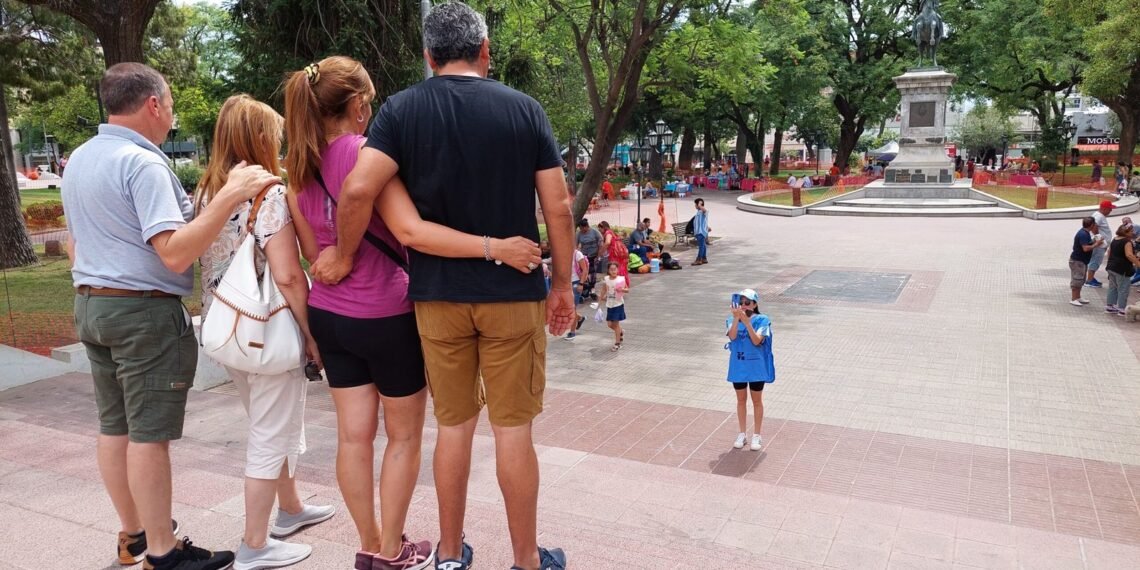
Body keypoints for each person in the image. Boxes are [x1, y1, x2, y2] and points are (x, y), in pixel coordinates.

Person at [308, 4, 573, 569]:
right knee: (513, 432)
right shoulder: (524, 109)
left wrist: (342, 254)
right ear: (485, 50)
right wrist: (565, 287)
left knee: (453, 427)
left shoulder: (401, 111)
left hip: (436, 298)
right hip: (513, 294)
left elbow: (357, 192)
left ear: (429, 57)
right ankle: (526, 559)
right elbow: (560, 208)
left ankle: (450, 554)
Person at [62, 62, 279, 570]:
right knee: (147, 435)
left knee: (114, 426)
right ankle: (163, 550)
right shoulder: (143, 164)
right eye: (172, 104)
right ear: (153, 104)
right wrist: (230, 194)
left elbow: (75, 245)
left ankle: (134, 536)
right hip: (141, 314)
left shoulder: (83, 160)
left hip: (92, 304)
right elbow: (175, 253)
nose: (173, 115)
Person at [195, 95, 335, 570]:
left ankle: (291, 509)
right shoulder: (269, 194)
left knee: (265, 423)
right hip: (268, 330)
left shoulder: (206, 190)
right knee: (269, 434)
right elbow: (290, 275)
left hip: (226, 328)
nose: (278, 143)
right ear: (258, 139)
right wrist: (312, 334)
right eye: (273, 135)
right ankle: (255, 543)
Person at [725, 289, 774, 451]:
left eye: (748, 303)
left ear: (755, 304)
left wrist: (746, 322)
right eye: (741, 303)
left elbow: (757, 341)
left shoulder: (762, 320)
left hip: (756, 367)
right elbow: (732, 337)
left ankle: (757, 435)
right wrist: (736, 319)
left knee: (757, 401)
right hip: (738, 366)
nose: (744, 306)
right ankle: (742, 433)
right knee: (740, 400)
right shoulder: (731, 320)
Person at [1105, 223, 1140, 314]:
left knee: (1113, 287)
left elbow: (1109, 252)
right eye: (1131, 231)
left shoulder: (1115, 239)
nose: (1133, 233)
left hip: (1111, 267)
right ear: (1125, 232)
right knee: (1123, 288)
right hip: (1122, 269)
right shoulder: (1126, 241)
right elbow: (1129, 255)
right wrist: (1138, 263)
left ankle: (1110, 306)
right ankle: (1121, 308)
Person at [1070, 216, 1102, 306]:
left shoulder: (1086, 233)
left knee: (1081, 279)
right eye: (1094, 224)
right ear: (1091, 225)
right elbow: (1085, 248)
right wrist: (1096, 244)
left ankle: (1078, 297)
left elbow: (1087, 244)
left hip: (1082, 261)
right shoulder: (1083, 234)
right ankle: (1073, 298)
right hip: (1078, 261)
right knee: (1077, 279)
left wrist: (1093, 240)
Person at [599, 261, 628, 351]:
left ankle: (617, 343)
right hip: (609, 304)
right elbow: (604, 289)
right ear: (608, 270)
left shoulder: (621, 279)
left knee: (615, 324)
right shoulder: (606, 279)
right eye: (611, 269)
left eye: (615, 269)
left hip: (618, 304)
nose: (613, 271)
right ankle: (620, 331)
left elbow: (627, 290)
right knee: (610, 324)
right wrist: (600, 299)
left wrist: (622, 289)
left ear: (617, 270)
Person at [1087, 200, 1114, 287]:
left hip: (1100, 243)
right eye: (1110, 209)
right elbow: (1094, 226)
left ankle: (1090, 278)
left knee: (1095, 260)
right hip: (1099, 244)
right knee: (1096, 260)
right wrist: (1099, 239)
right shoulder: (1099, 216)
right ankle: (1089, 280)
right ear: (1104, 208)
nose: (1111, 211)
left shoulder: (1098, 215)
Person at [597, 220, 630, 287]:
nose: (599, 231)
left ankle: (617, 285)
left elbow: (608, 242)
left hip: (614, 253)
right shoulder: (612, 232)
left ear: (603, 227)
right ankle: (622, 285)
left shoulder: (608, 233)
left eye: (600, 229)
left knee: (615, 268)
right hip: (619, 253)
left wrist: (601, 252)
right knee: (621, 268)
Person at [576, 218, 603, 298]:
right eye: (580, 229)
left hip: (594, 255)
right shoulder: (579, 234)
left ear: (586, 226)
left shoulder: (595, 232)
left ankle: (592, 289)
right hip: (584, 257)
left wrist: (598, 256)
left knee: (593, 274)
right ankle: (587, 289)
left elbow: (601, 243)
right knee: (585, 273)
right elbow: (576, 244)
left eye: (582, 228)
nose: (581, 230)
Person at [566, 246, 589, 340]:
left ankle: (572, 332)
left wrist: (581, 283)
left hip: (576, 283)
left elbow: (585, 270)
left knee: (572, 308)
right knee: (568, 308)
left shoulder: (577, 254)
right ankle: (579, 318)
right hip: (565, 284)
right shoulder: (561, 253)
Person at [692, 197, 710, 266]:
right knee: (703, 245)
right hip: (699, 232)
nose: (695, 206)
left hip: (701, 232)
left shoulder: (703, 211)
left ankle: (699, 259)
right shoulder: (698, 212)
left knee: (701, 246)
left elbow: (705, 211)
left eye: (696, 204)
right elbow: (703, 221)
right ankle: (704, 258)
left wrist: (700, 205)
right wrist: (707, 227)